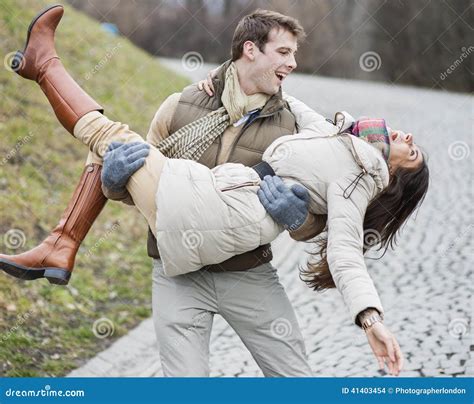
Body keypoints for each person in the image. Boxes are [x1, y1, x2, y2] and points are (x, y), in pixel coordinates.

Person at [1, 6, 430, 377]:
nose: (294, 65)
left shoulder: (298, 126)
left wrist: (300, 222)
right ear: (249, 50)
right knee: (113, 150)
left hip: (247, 274)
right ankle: (62, 241)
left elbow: (334, 241)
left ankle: (62, 239)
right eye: (284, 53)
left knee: (297, 380)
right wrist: (114, 184)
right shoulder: (183, 103)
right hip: (179, 273)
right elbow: (143, 188)